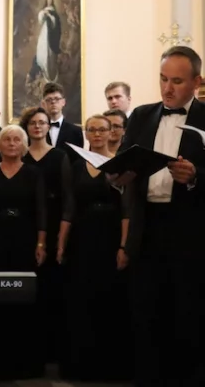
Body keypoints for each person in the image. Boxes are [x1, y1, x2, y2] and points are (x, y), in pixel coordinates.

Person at [121, 45, 205, 387]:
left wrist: (197, 177)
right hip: (147, 230)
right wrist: (118, 176)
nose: (167, 88)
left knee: (191, 317)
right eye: (162, 79)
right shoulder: (141, 115)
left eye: (176, 81)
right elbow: (126, 165)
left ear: (196, 82)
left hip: (189, 229)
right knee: (147, 316)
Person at [57, 115, 131, 381]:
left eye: (103, 129)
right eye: (92, 130)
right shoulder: (75, 165)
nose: (98, 134)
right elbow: (69, 206)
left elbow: (127, 210)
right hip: (83, 238)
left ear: (112, 132)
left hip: (110, 237)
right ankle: (81, 366)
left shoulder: (120, 164)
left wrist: (124, 246)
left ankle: (109, 366)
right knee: (81, 300)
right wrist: (61, 244)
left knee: (109, 301)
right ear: (86, 134)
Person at [0, 126, 47, 380]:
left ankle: (24, 364)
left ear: (24, 145)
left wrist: (40, 245)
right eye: (7, 139)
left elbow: (41, 213)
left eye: (17, 139)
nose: (12, 143)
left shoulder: (35, 174)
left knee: (23, 300)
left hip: (24, 243)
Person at [21, 106, 71, 365]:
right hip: (26, 225)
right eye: (33, 123)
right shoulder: (20, 156)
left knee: (52, 285)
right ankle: (30, 347)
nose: (38, 127)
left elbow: (67, 197)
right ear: (26, 127)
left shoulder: (59, 155)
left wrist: (62, 236)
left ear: (49, 127)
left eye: (43, 123)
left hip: (53, 224)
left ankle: (52, 349)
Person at [42, 82, 84, 163]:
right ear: (43, 104)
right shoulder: (38, 130)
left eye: (57, 99)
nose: (53, 102)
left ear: (63, 102)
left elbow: (78, 161)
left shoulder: (76, 131)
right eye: (49, 100)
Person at [29, 0, 62, 83]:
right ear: (46, 0)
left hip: (51, 36)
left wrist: (49, 15)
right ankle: (42, 75)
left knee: (50, 55)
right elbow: (40, 19)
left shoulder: (54, 12)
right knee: (42, 52)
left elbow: (54, 24)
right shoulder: (44, 10)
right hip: (44, 34)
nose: (49, 0)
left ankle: (50, 77)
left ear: (53, 0)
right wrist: (44, 13)